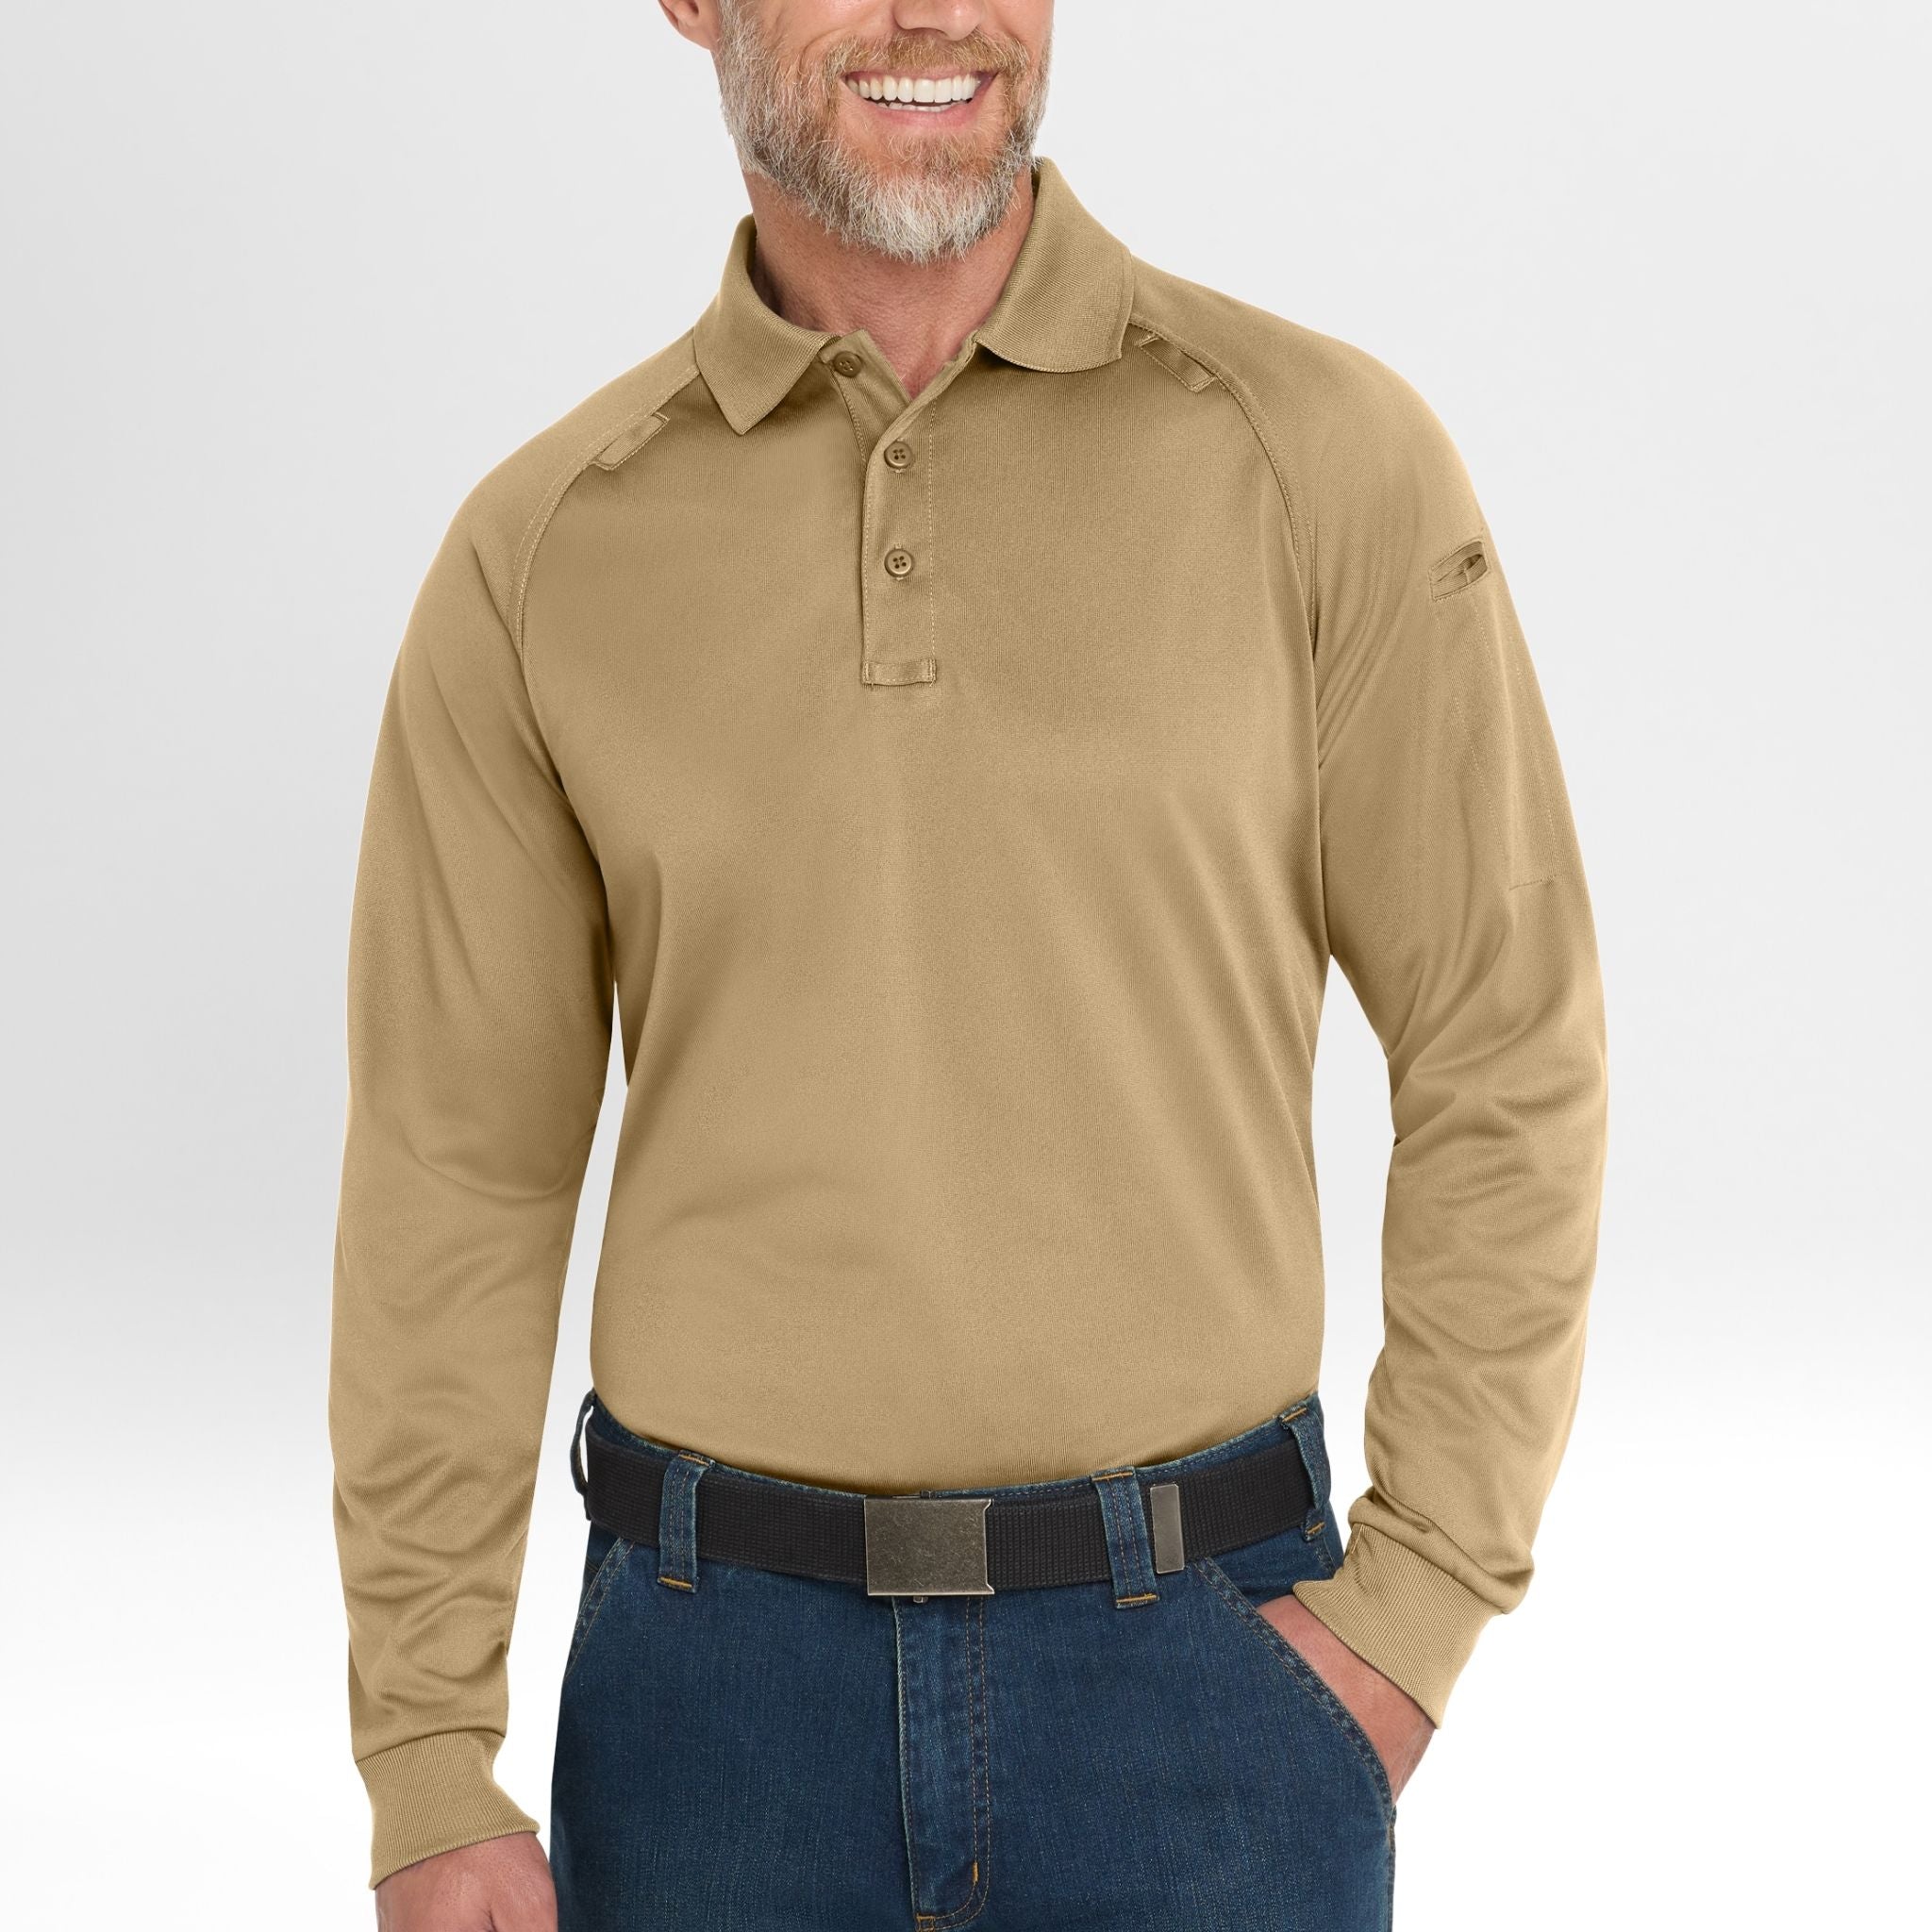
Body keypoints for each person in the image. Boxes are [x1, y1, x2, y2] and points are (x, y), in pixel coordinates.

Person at [327, 1, 1609, 1926]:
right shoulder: (545, 556)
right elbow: (455, 1178)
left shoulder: (1319, 458)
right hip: (709, 1706)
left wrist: (1413, 1610)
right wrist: (427, 1752)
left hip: (1209, 1681)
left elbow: (1506, 1046)